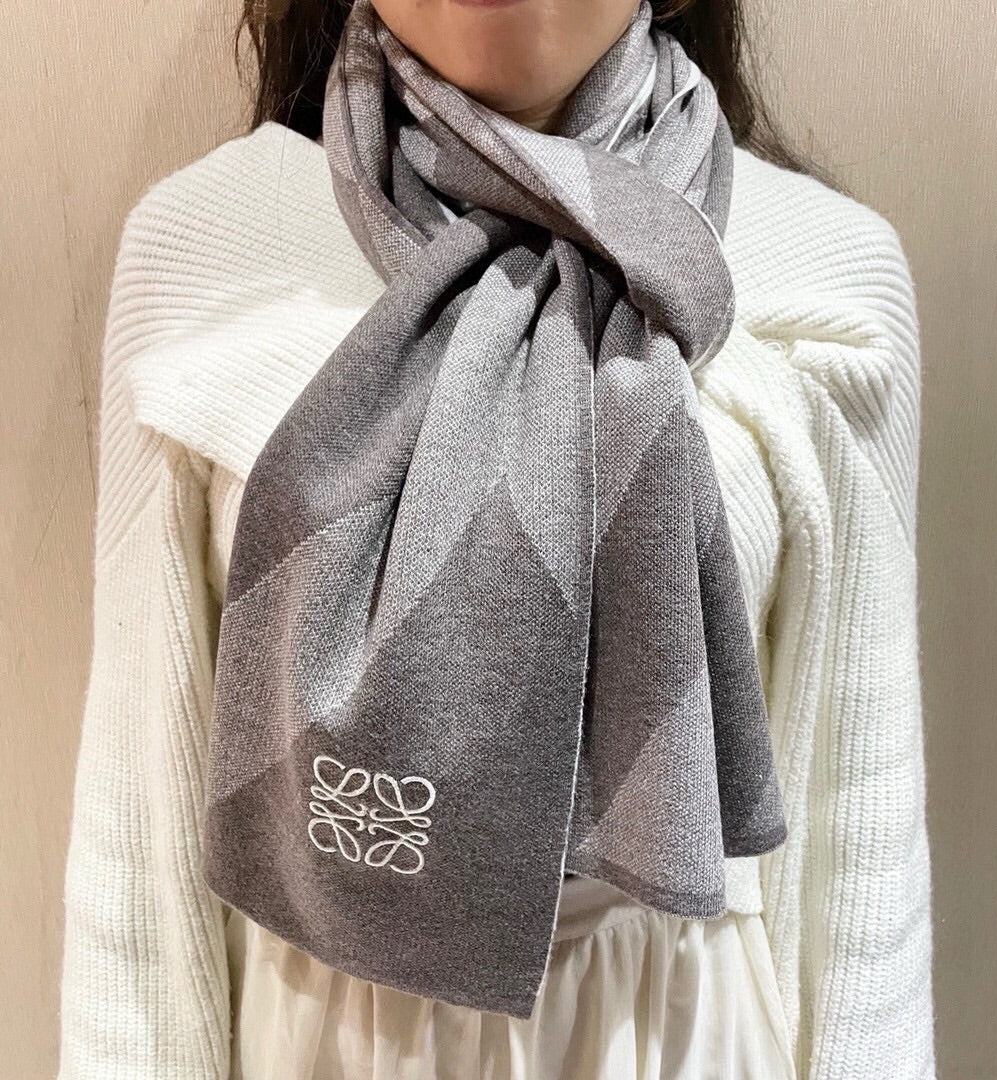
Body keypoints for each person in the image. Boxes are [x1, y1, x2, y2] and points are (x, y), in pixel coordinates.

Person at [57, 1, 935, 1078]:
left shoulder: (829, 270)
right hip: (328, 1041)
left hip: (679, 1038)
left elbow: (861, 825)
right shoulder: (206, 242)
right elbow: (139, 822)